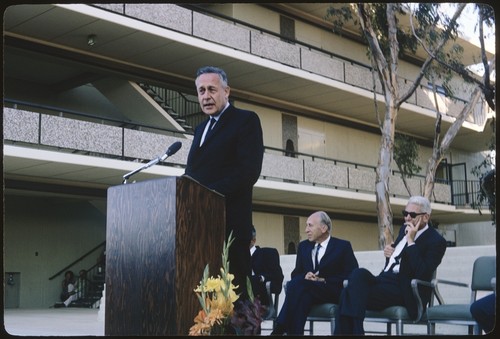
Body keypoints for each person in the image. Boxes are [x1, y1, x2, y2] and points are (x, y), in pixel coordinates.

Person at [184, 66, 264, 300]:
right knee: (205, 299)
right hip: (199, 226)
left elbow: (248, 171)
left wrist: (209, 195)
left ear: (226, 91)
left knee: (236, 300)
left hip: (230, 224)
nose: (205, 96)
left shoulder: (246, 120)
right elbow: (193, 173)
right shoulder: (200, 129)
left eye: (211, 89)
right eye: (200, 91)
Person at [334, 195, 447, 335]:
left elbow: (423, 273)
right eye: (405, 214)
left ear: (425, 217)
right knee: (358, 274)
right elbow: (398, 257)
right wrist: (390, 252)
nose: (407, 218)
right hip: (384, 280)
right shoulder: (402, 231)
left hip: (406, 289)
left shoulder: (436, 241)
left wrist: (411, 242)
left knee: (348, 293)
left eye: (412, 215)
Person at [271, 211, 359, 335]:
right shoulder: (303, 246)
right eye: (306, 226)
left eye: (310, 225)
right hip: (308, 290)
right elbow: (296, 273)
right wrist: (305, 275)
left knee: (295, 285)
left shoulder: (342, 246)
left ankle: (279, 328)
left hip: (331, 291)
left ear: (324, 228)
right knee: (302, 295)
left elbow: (352, 274)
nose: (306, 230)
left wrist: (323, 280)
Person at [249, 226, 284, 313]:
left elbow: (277, 276)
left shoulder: (265, 254)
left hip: (259, 300)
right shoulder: (237, 257)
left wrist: (262, 278)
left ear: (253, 240)